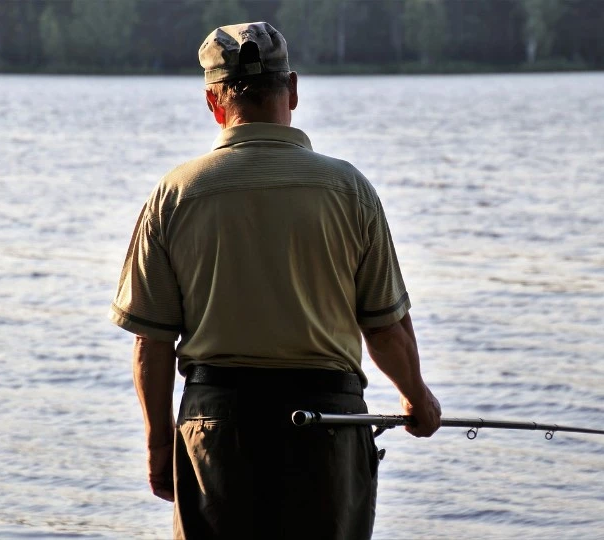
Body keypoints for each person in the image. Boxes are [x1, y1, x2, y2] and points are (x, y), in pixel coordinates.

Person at [109, 21, 441, 540]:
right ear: (291, 89)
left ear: (212, 102)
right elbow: (385, 330)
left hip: (214, 428)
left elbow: (152, 343)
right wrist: (418, 400)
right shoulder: (348, 189)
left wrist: (159, 446)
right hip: (327, 426)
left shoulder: (174, 195)